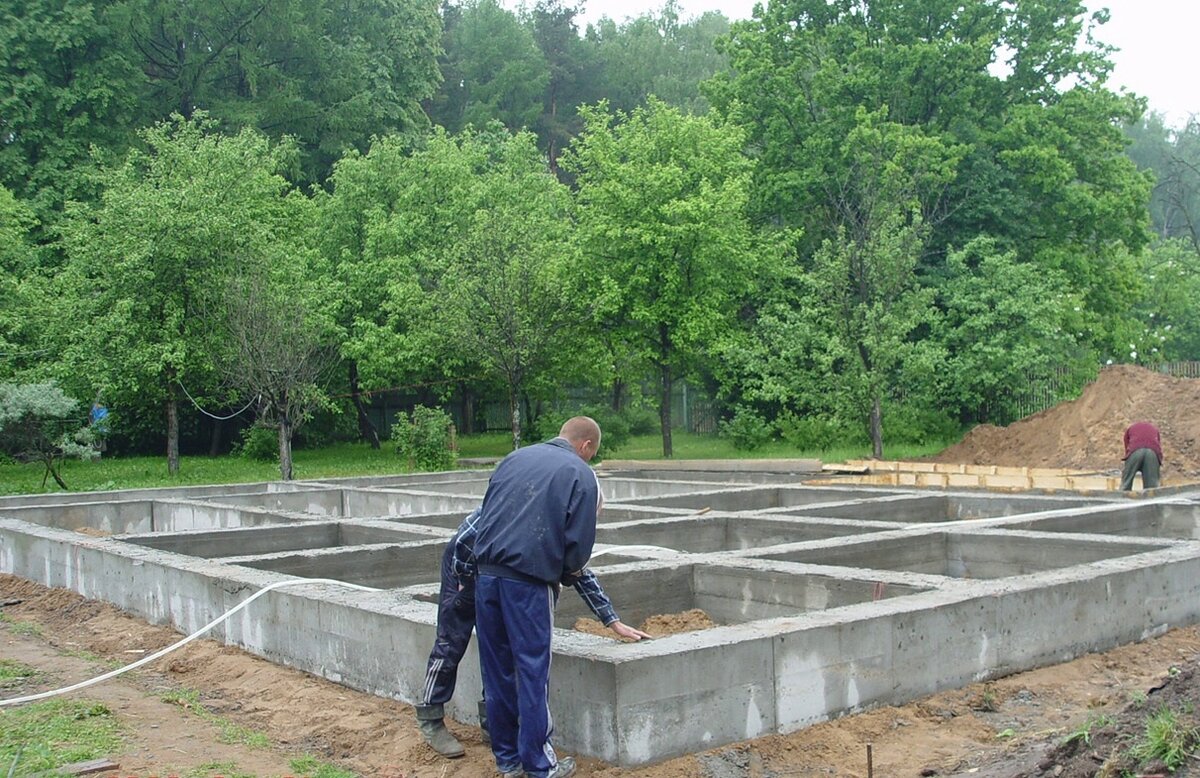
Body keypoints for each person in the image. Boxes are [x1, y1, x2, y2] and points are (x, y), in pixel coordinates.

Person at [416, 506, 648, 758]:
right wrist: (464, 578)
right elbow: (466, 538)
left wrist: (611, 619)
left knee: (499, 644)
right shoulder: (528, 505)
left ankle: (493, 723)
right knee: (452, 640)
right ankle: (431, 716)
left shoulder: (566, 524)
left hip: (504, 571)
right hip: (467, 562)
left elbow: (578, 570)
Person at [472, 416, 607, 778]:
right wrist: (564, 574)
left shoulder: (514, 459)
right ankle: (539, 765)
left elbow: (486, 515)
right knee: (532, 671)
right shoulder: (580, 473)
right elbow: (578, 546)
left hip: (486, 577)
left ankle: (507, 761)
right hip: (527, 584)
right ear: (586, 447)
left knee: (497, 669)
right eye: (591, 453)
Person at [1121, 421, 1163, 491]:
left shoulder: (1129, 430)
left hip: (1135, 451)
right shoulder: (1155, 430)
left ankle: (1122, 500)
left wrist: (1129, 461)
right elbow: (1158, 446)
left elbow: (1127, 447)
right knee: (1152, 488)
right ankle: (1152, 500)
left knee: (1126, 483)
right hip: (1152, 453)